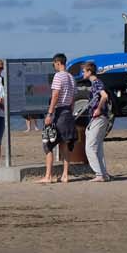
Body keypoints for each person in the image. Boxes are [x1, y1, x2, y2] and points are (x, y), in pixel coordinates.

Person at [39, 53, 77, 184]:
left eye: (54, 64)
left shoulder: (58, 76)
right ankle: (65, 175)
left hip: (59, 112)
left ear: (58, 63)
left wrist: (50, 113)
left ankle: (48, 176)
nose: (54, 66)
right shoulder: (71, 77)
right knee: (64, 144)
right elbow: (72, 99)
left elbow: (55, 95)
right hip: (68, 111)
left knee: (48, 143)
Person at [81, 61, 111, 182]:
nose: (82, 73)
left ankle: (99, 174)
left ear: (89, 72)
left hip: (99, 117)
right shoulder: (95, 83)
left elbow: (104, 96)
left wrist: (98, 109)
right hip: (101, 118)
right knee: (97, 147)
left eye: (84, 71)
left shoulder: (96, 83)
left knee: (90, 147)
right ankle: (104, 174)